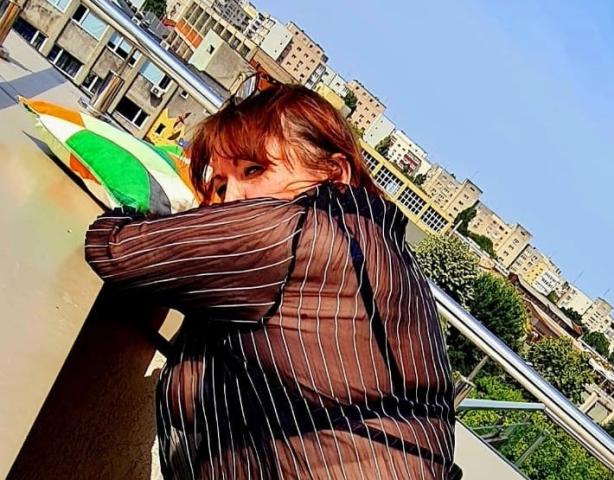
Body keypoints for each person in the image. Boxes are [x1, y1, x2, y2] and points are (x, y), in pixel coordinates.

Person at [84, 80, 460, 480]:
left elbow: (117, 250)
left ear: (334, 172)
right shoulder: (379, 249)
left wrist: (144, 210)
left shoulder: (292, 232)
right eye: (221, 185)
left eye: (254, 170)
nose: (232, 198)